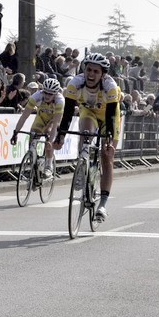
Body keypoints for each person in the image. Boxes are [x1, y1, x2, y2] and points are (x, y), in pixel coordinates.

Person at [57, 53, 121, 222]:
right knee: (85, 134)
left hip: (109, 114)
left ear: (103, 74)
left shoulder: (110, 86)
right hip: (89, 112)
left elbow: (111, 117)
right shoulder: (74, 83)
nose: (91, 74)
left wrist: (108, 139)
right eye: (89, 70)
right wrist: (61, 135)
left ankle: (102, 205)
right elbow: (68, 113)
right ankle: (82, 165)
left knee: (107, 156)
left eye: (96, 71)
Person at [10, 78, 64, 178]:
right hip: (41, 118)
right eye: (46, 93)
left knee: (48, 133)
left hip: (52, 120)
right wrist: (15, 132)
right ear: (42, 91)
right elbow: (24, 116)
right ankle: (33, 168)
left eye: (50, 94)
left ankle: (48, 166)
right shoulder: (36, 97)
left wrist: (50, 141)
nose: (47, 96)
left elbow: (56, 124)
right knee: (33, 135)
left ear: (55, 94)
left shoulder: (60, 101)